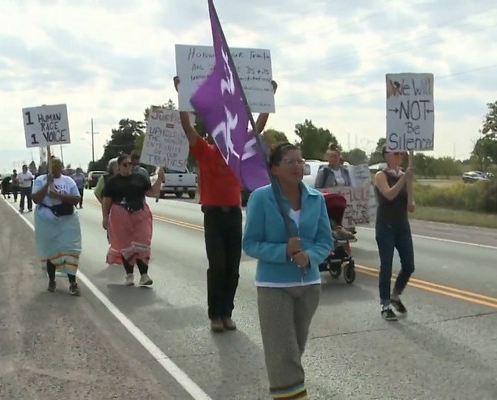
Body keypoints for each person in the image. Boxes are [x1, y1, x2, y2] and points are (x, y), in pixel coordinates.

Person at [176, 76, 276, 333]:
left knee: (232, 266)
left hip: (233, 213)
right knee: (217, 266)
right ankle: (215, 315)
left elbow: (258, 127)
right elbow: (187, 128)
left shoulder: (237, 150)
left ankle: (227, 313)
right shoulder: (205, 150)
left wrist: (268, 97)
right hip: (213, 214)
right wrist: (182, 93)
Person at [242, 143, 333, 400]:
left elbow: (325, 241)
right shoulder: (261, 198)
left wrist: (309, 256)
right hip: (274, 287)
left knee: (294, 350)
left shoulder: (316, 199)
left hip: (309, 286)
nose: (297, 166)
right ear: (274, 168)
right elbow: (250, 243)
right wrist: (284, 250)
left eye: (300, 161)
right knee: (282, 352)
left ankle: (285, 392)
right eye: (290, 161)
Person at [101, 155, 164, 287]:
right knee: (126, 246)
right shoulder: (112, 182)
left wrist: (159, 179)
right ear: (118, 166)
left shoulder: (139, 178)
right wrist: (105, 217)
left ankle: (144, 275)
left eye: (131, 164)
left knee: (143, 243)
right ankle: (129, 274)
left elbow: (152, 193)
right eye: (125, 164)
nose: (128, 167)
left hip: (140, 213)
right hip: (120, 214)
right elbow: (106, 201)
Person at [374, 147, 416, 321]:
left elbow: (409, 202)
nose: (400, 156)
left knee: (409, 266)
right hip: (386, 226)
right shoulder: (380, 175)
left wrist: (411, 200)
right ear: (386, 156)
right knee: (387, 266)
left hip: (402, 225)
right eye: (396, 153)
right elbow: (389, 195)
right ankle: (385, 305)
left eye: (401, 154)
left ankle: (395, 295)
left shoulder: (403, 175)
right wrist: (403, 179)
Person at [31, 157, 82, 296]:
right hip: (47, 221)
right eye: (53, 166)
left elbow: (77, 199)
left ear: (62, 167)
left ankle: (73, 283)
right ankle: (52, 280)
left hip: (67, 221)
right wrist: (47, 184)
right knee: (51, 252)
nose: (56, 168)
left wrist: (59, 195)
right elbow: (35, 199)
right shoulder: (40, 180)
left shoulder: (68, 181)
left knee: (70, 251)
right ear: (49, 167)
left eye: (58, 165)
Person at [314, 143, 355, 240]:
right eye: (330, 156)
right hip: (330, 203)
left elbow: (349, 186)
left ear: (339, 157)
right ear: (327, 158)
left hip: (343, 202)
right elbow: (318, 188)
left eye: (335, 156)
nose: (333, 158)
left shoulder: (345, 171)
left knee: (345, 227)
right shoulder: (324, 171)